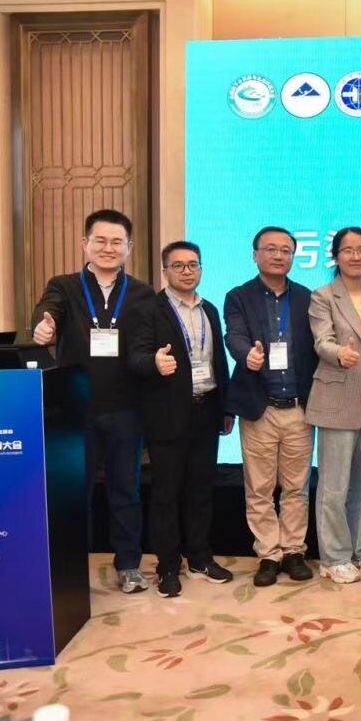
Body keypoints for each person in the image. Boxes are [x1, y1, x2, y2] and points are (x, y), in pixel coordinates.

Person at [31, 209, 153, 593]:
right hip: (75, 411)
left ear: (129, 247)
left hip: (126, 409)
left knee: (125, 492)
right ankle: (69, 569)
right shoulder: (64, 286)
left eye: (117, 242)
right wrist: (44, 324)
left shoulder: (142, 293)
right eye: (100, 240)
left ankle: (128, 565)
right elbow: (48, 309)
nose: (108, 248)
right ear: (85, 244)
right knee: (73, 494)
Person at [125, 241, 234, 597]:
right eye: (178, 265)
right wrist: (154, 363)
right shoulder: (147, 310)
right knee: (166, 494)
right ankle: (168, 565)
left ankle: (199, 558)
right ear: (165, 271)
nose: (187, 271)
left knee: (201, 490)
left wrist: (226, 408)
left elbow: (218, 361)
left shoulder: (209, 309)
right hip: (168, 414)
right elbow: (135, 357)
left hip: (207, 409)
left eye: (193, 264)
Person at [224, 226, 317, 588]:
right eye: (271, 249)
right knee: (260, 488)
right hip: (259, 406)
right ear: (255, 255)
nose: (279, 255)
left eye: (286, 250)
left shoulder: (307, 297)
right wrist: (247, 354)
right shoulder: (239, 296)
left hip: (298, 408)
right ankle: (268, 554)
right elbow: (234, 334)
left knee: (296, 487)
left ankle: (293, 551)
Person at [306, 227, 361, 584]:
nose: (356, 256)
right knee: (335, 485)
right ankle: (334, 556)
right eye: (348, 250)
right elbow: (322, 341)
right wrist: (339, 353)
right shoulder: (322, 296)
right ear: (336, 256)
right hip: (338, 397)